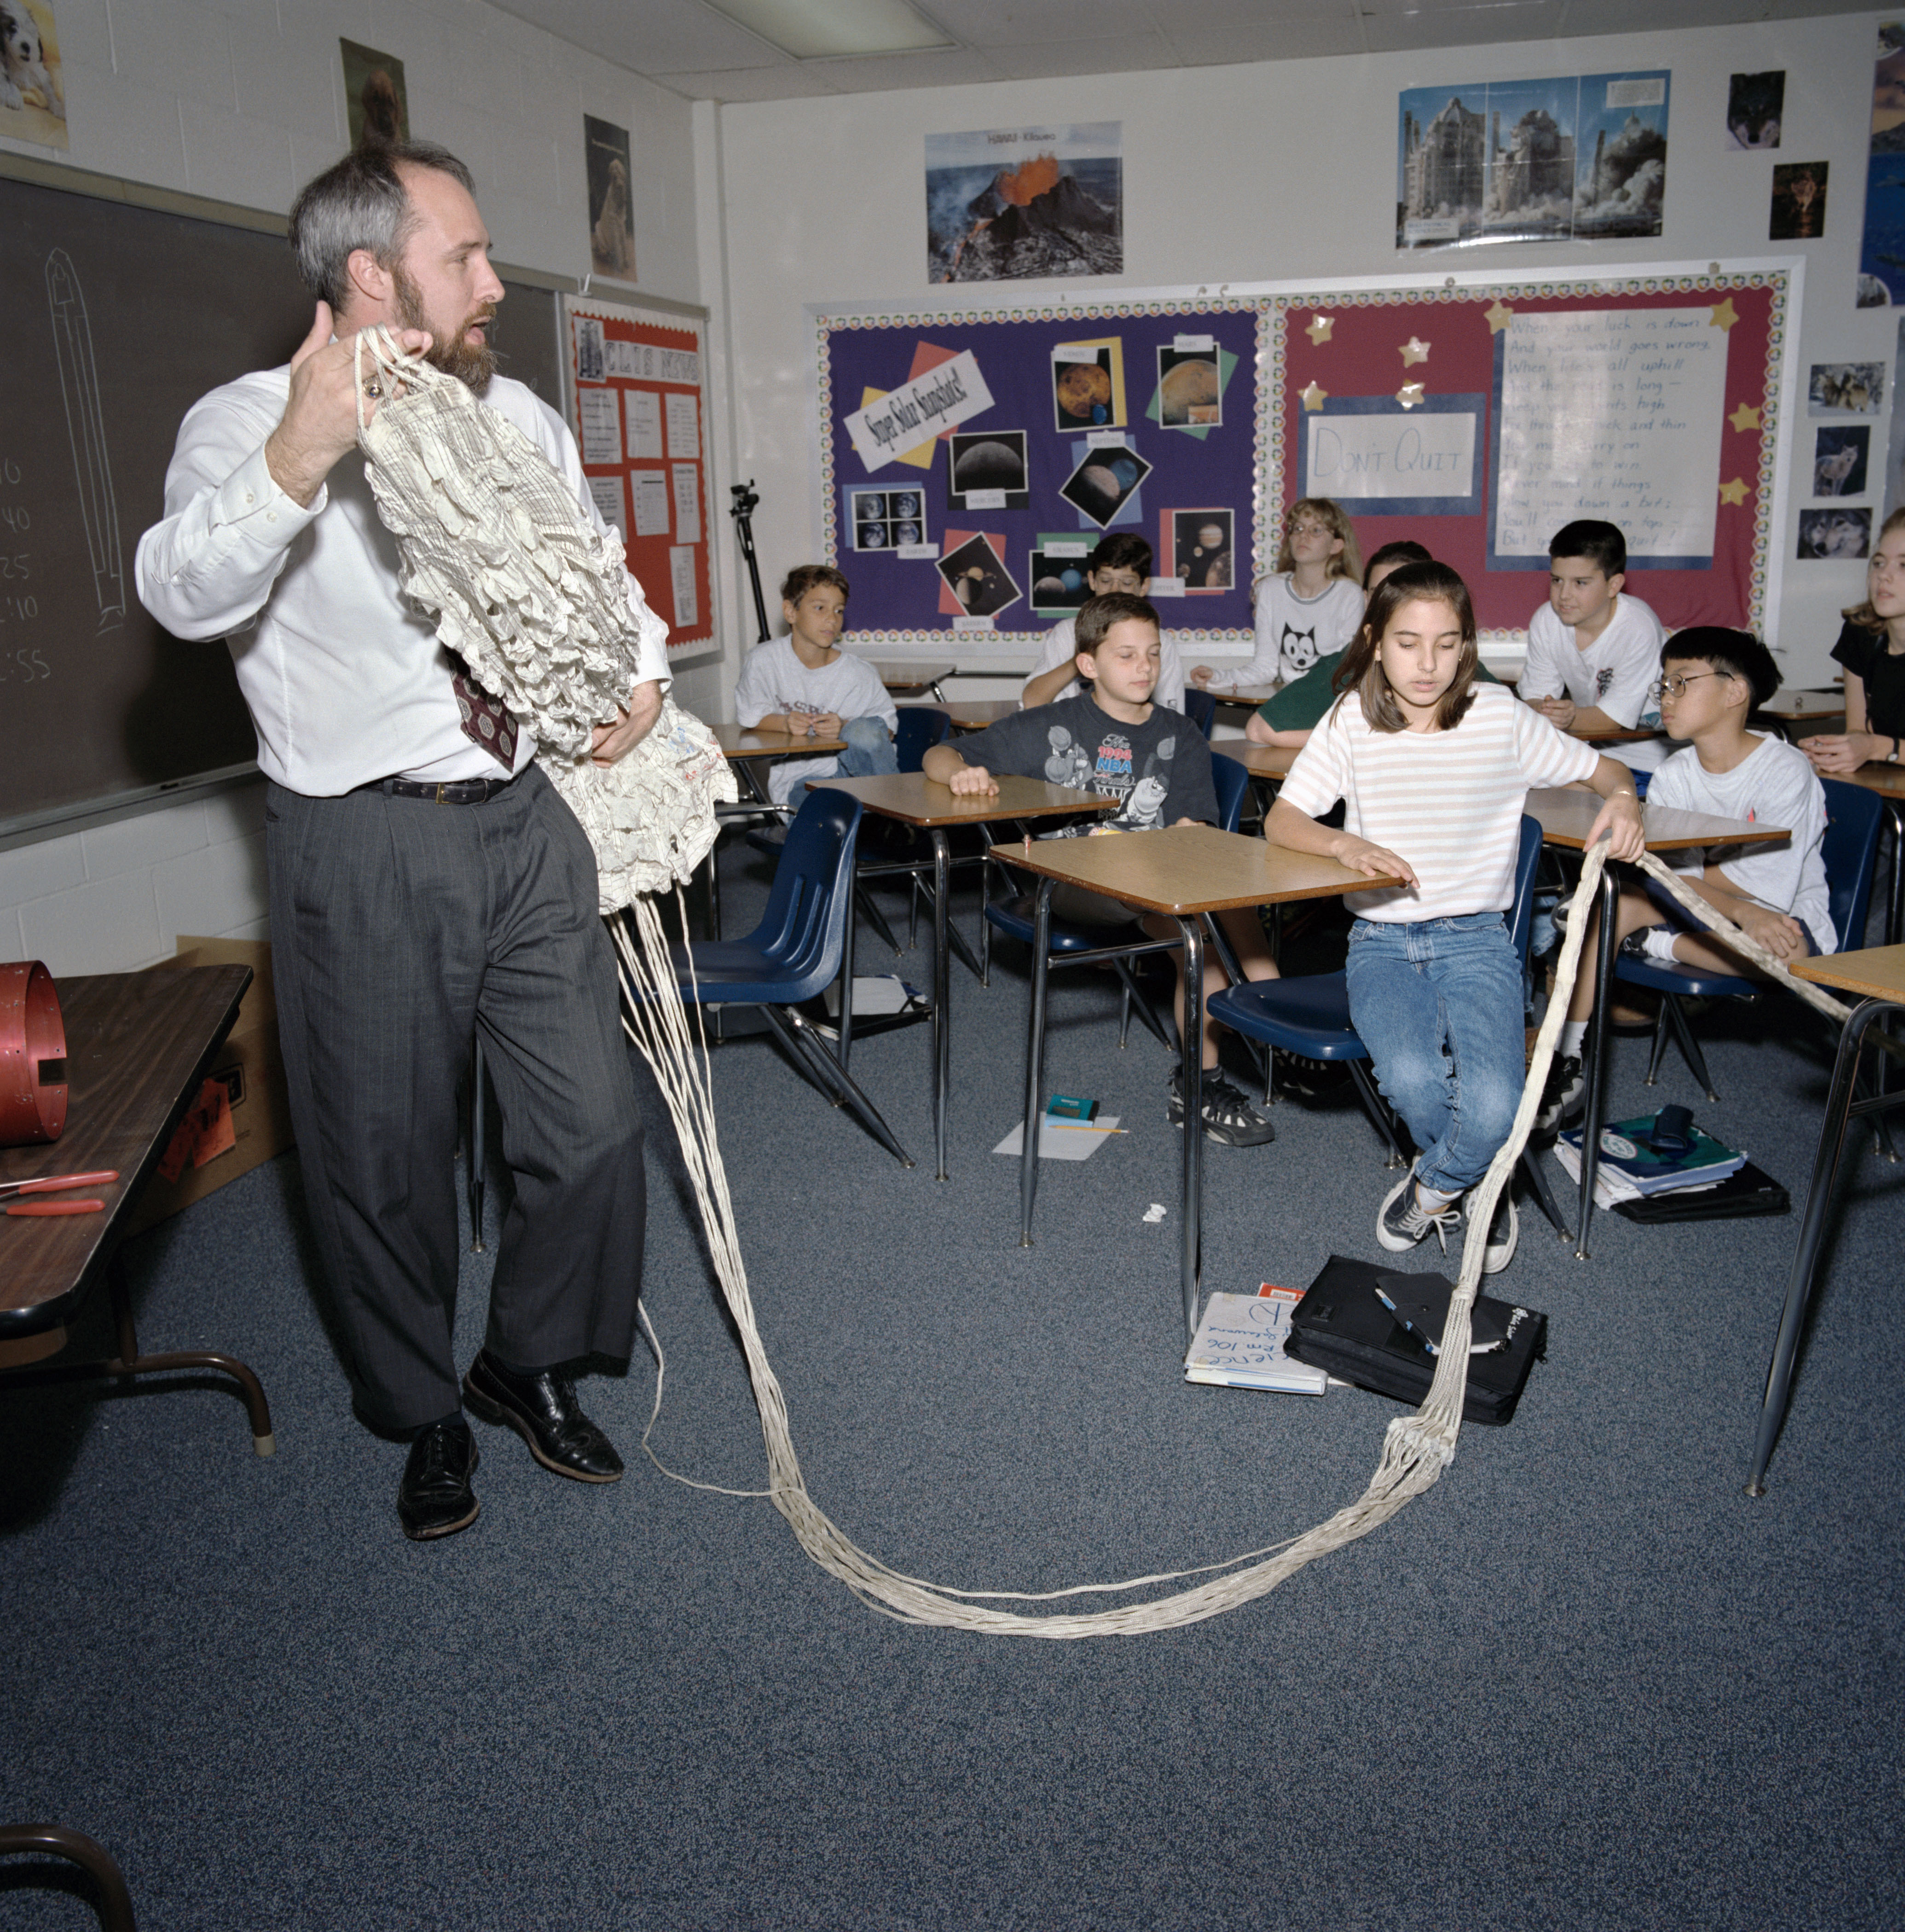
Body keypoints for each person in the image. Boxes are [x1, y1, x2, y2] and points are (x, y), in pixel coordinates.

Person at [135, 143, 666, 1543]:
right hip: (363, 839)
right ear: (371, 272)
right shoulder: (244, 421)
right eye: (465, 257)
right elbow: (180, 591)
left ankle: (525, 1358)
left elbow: (595, 566)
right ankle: (423, 1405)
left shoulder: (517, 414)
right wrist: (299, 455)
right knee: (383, 1157)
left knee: (595, 1131)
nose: (494, 284)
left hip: (526, 816)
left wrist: (644, 665)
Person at [1267, 560, 1644, 1270]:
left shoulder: (1497, 715)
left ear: (1465, 645)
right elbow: (1282, 820)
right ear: (1375, 642)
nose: (1426, 663)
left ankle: (1438, 1185)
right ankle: (1481, 1181)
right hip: (1380, 941)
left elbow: (1605, 773)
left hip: (1475, 941)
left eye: (1445, 644)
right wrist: (1344, 843)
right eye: (1407, 642)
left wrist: (1624, 802)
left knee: (1498, 1104)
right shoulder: (1351, 716)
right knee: (1411, 1079)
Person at [925, 593, 1280, 1148]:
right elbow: (940, 754)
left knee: (1205, 928)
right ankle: (1258, 1033)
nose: (1145, 667)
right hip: (1073, 885)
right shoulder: (1046, 726)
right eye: (1126, 655)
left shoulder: (1180, 734)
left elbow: (1193, 833)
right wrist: (958, 775)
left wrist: (1186, 842)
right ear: (1087, 665)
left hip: (1154, 881)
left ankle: (1215, 1069)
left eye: (1153, 654)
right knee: (1196, 923)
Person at [1538, 628, 1837, 1129]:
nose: (1664, 697)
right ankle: (1565, 1056)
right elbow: (1672, 874)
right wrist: (1698, 879)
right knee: (1614, 903)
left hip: (1774, 914)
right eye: (1662, 685)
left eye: (1680, 682)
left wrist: (1700, 881)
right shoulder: (1675, 772)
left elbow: (1756, 891)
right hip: (1691, 904)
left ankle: (1650, 942)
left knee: (1789, 957)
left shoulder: (1784, 770)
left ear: (1734, 691)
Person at [1243, 540, 1503, 750]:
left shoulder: (1456, 661)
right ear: (1367, 599)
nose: (1428, 663)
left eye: (1407, 593)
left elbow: (1509, 723)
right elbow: (1260, 729)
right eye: (1381, 593)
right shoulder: (1350, 663)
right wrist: (1363, 741)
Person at [733, 564, 898, 808]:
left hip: (860, 778)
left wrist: (845, 727)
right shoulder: (763, 662)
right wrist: (785, 723)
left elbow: (887, 731)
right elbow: (750, 717)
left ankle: (893, 813)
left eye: (839, 610)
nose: (832, 619)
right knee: (824, 809)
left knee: (863, 731)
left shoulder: (860, 673)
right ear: (791, 612)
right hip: (801, 781)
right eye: (820, 608)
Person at [1518, 519, 1666, 772]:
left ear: (1614, 585)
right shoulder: (1546, 619)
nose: (1564, 595)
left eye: (1580, 583)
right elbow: (1535, 698)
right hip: (1586, 750)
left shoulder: (1639, 627)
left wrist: (1568, 717)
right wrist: (1543, 710)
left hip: (1651, 761)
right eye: (1557, 580)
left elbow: (1612, 720)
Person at [1189, 498, 1363, 693]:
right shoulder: (1270, 589)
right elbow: (1265, 668)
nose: (1303, 536)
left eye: (1315, 530)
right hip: (1290, 696)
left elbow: (1350, 670)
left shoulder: (1349, 595)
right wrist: (1219, 677)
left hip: (1332, 695)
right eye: (1298, 529)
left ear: (1336, 546)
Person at [1020, 533, 1188, 714]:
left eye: (1127, 583)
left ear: (1144, 586)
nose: (1114, 591)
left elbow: (1173, 714)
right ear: (1093, 581)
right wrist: (1079, 662)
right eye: (1106, 581)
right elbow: (1032, 702)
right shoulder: (1067, 633)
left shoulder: (1159, 643)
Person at [1805, 506, 1905, 776]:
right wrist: (1834, 750)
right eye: (1879, 563)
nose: (1884, 575)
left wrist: (1877, 747)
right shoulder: (1860, 633)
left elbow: (1873, 746)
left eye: (1903, 565)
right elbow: (1858, 731)